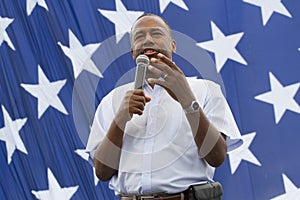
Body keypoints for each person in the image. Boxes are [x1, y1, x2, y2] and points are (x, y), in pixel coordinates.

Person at [87, 13, 242, 200]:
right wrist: (120, 119)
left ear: (173, 46)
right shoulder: (112, 100)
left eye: (157, 34)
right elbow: (102, 173)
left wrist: (186, 99)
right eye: (139, 37)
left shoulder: (206, 90)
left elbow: (216, 157)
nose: (148, 40)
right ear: (133, 52)